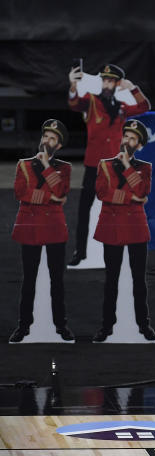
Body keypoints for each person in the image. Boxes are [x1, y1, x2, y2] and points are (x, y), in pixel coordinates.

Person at [67, 64, 151, 265]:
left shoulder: (121, 107)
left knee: (117, 208)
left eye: (111, 81)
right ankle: (81, 252)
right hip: (94, 163)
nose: (107, 83)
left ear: (116, 84)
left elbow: (144, 107)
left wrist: (132, 87)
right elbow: (74, 104)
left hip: (115, 165)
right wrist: (72, 85)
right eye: (104, 80)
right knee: (84, 209)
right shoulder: (92, 101)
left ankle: (116, 251)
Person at [9, 120, 74, 342]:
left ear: (59, 146)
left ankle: (61, 325)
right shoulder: (24, 165)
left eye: (52, 138)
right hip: (30, 227)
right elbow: (20, 192)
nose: (47, 141)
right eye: (45, 136)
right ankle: (23, 326)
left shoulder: (64, 168)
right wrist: (49, 198)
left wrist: (47, 167)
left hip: (54, 228)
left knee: (57, 279)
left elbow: (61, 190)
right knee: (29, 279)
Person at [92, 119, 155, 342]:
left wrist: (128, 167)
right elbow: (102, 192)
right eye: (125, 136)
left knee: (139, 279)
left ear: (139, 145)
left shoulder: (144, 168)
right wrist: (131, 198)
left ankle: (143, 325)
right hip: (112, 227)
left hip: (135, 227)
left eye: (133, 139)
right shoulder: (105, 165)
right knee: (111, 279)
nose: (127, 141)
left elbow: (142, 189)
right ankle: (106, 326)